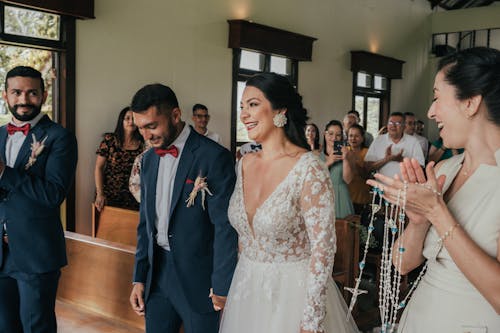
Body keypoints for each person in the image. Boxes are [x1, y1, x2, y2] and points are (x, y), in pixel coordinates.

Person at [367, 47, 500, 332]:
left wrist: (437, 212)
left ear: (470, 103)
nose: (430, 111)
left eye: (437, 97)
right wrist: (418, 221)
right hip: (421, 317)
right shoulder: (443, 171)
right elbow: (402, 264)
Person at [219, 73, 358, 333]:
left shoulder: (308, 168)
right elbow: (243, 238)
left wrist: (311, 319)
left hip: (292, 295)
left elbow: (323, 248)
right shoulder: (245, 163)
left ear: (280, 110)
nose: (244, 114)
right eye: (242, 107)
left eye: (253, 104)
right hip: (247, 290)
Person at [128, 83, 238, 333]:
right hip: (157, 276)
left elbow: (225, 226)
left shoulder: (213, 156)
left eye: (152, 126)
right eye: (141, 128)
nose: (146, 136)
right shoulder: (147, 160)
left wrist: (222, 285)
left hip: (200, 278)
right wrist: (139, 277)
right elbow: (145, 223)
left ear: (175, 115)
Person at [0, 66, 78, 332]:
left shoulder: (60, 137)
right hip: (1, 253)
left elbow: (53, 194)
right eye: (17, 92)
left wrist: (4, 173)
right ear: (5, 95)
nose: (24, 99)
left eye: (32, 93)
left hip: (35, 251)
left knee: (36, 326)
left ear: (44, 95)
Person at [94, 106, 144, 211]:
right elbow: (99, 168)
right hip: (109, 195)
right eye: (127, 118)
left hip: (133, 197)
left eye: (134, 118)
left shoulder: (143, 145)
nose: (131, 121)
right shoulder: (110, 140)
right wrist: (100, 194)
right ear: (121, 121)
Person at [365, 112, 425, 179]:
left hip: (405, 187)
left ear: (404, 126)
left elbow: (420, 167)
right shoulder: (378, 140)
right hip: (382, 186)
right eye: (390, 123)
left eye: (397, 123)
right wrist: (386, 159)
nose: (393, 126)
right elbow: (368, 167)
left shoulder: (413, 141)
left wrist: (402, 159)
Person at [320, 120, 355, 219]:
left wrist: (346, 159)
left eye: (338, 135)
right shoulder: (316, 154)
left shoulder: (349, 154)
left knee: (343, 231)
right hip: (321, 196)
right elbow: (313, 178)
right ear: (324, 134)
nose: (334, 138)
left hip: (341, 197)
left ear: (342, 137)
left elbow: (348, 180)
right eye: (330, 134)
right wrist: (328, 163)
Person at [345, 124, 371, 214]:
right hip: (345, 196)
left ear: (362, 138)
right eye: (351, 136)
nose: (353, 139)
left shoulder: (367, 153)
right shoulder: (344, 151)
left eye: (356, 136)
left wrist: (354, 161)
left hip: (361, 197)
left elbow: (366, 175)